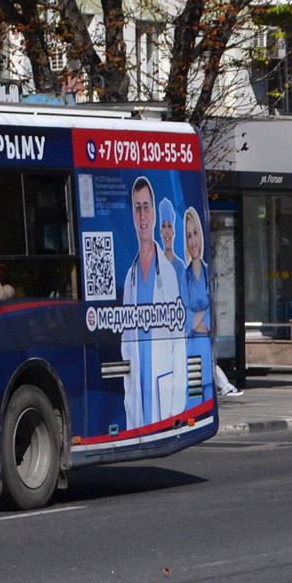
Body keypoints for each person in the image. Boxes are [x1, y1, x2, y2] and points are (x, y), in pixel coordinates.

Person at [121, 176, 185, 428]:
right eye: (137, 208)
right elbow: (126, 344)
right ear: (133, 216)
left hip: (163, 394)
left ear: (154, 214)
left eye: (146, 206)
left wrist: (176, 408)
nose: (142, 214)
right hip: (139, 394)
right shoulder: (130, 277)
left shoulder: (168, 273)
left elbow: (178, 344)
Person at [182, 206, 242, 398]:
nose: (193, 241)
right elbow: (185, 317)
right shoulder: (185, 275)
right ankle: (224, 386)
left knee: (208, 364)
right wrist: (199, 319)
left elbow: (211, 309)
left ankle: (224, 386)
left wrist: (199, 319)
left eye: (195, 234)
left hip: (204, 335)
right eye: (188, 236)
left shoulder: (209, 272)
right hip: (193, 340)